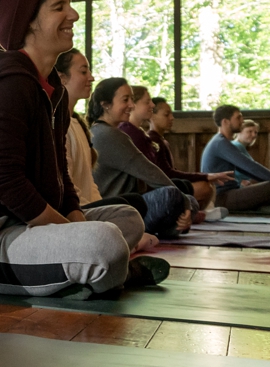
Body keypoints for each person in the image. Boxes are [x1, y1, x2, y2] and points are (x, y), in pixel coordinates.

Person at [0, 0, 169, 299]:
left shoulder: (53, 91)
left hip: (23, 226)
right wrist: (77, 233)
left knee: (127, 218)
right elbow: (4, 180)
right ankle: (107, 271)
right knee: (105, 242)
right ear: (30, 20)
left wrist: (74, 221)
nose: (72, 14)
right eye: (59, 7)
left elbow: (60, 177)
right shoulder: (9, 85)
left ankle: (86, 273)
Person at [54, 49, 151, 222]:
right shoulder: (57, 125)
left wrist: (104, 208)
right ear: (62, 78)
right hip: (73, 212)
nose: (91, 77)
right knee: (133, 207)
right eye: (83, 71)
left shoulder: (78, 124)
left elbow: (90, 185)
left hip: (88, 209)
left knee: (133, 204)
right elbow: (65, 187)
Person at [89, 78, 192, 238]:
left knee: (183, 192)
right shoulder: (110, 135)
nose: (131, 104)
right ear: (105, 104)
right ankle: (160, 230)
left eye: (132, 99)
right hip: (118, 213)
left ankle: (169, 228)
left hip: (126, 205)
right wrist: (186, 204)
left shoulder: (104, 131)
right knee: (174, 195)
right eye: (125, 100)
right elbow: (150, 173)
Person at [123, 89, 233, 208]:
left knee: (203, 185)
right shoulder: (133, 134)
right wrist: (205, 176)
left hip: (156, 185)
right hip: (146, 193)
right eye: (147, 102)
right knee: (203, 187)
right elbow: (160, 173)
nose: (152, 105)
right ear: (133, 104)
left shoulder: (141, 134)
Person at [201, 105, 270, 211]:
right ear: (225, 122)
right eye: (238, 117)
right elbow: (250, 166)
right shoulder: (220, 143)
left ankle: (260, 207)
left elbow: (247, 169)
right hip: (221, 198)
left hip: (229, 193)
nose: (242, 120)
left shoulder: (222, 142)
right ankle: (260, 208)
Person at [232, 119, 261, 185]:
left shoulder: (240, 147)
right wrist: (239, 181)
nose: (254, 135)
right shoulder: (236, 146)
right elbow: (224, 169)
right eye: (249, 131)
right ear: (239, 131)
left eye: (255, 132)